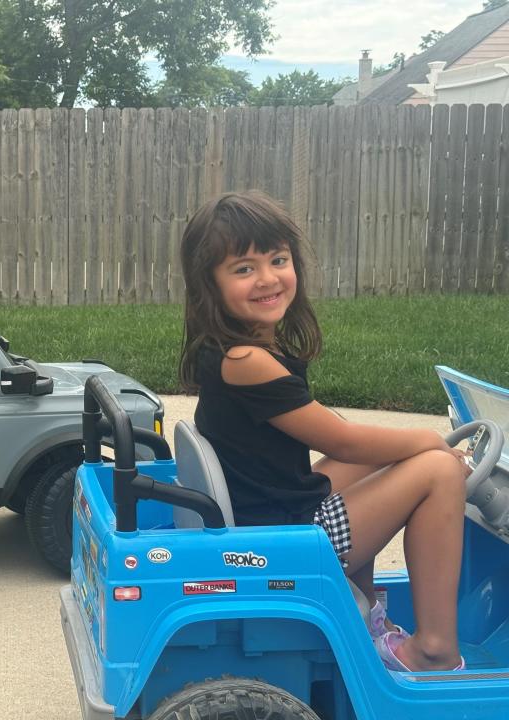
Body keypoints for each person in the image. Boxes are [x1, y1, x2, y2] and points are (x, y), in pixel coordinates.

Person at [178, 190, 470, 672]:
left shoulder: (231, 350)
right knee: (438, 470)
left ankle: (362, 606)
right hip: (282, 541)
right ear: (209, 282)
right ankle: (434, 650)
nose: (268, 278)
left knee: (382, 457)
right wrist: (429, 441)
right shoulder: (246, 361)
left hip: (269, 514)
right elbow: (341, 441)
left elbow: (344, 438)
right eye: (244, 268)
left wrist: (400, 451)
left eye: (278, 259)